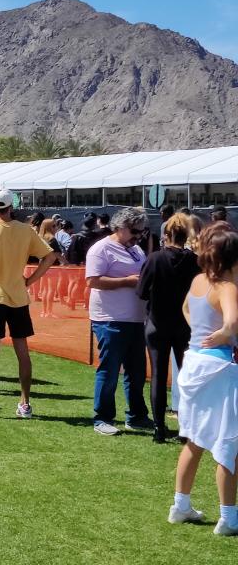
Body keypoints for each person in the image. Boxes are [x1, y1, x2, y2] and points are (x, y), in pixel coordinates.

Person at [168, 224, 238, 536]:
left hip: (193, 362)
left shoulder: (198, 280)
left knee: (194, 440)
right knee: (228, 443)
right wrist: (224, 334)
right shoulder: (227, 287)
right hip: (218, 367)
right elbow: (233, 321)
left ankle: (180, 506)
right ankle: (229, 517)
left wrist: (202, 333)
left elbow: (185, 308)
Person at [0, 189, 56, 418]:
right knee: (22, 351)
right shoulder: (25, 230)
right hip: (18, 296)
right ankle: (24, 404)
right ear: (11, 207)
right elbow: (50, 256)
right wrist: (30, 280)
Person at [85, 207, 153, 436]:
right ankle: (102, 418)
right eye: (135, 231)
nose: (138, 236)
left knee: (136, 372)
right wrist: (126, 281)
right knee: (110, 370)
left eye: (142, 232)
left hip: (135, 319)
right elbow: (93, 281)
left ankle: (136, 416)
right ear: (120, 227)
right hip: (109, 319)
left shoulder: (135, 249)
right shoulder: (100, 249)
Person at [137, 213, 200, 442]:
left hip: (156, 323)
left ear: (166, 235)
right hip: (185, 325)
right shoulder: (195, 261)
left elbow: (142, 292)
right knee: (185, 376)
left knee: (158, 375)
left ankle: (159, 428)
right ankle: (186, 428)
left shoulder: (154, 259)